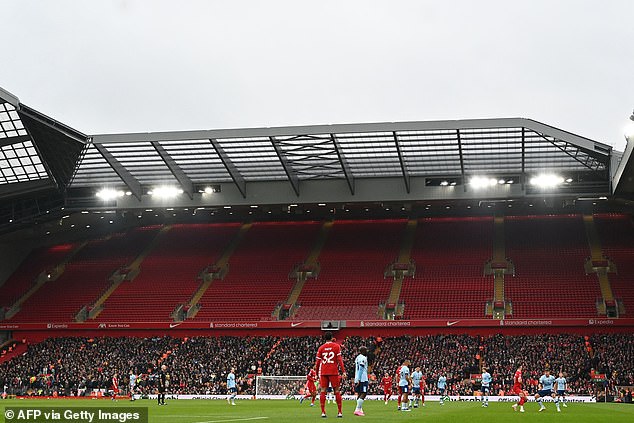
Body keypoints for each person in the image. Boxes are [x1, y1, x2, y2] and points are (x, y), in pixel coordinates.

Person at [315, 332, 346, 418]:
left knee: (323, 391)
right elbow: (340, 360)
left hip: (324, 372)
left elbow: (317, 363)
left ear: (324, 338)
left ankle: (323, 412)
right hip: (333, 371)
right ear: (332, 338)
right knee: (336, 390)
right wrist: (343, 371)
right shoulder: (336, 346)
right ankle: (339, 412)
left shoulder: (321, 348)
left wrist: (317, 373)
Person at [353, 345, 369, 416]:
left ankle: (360, 409)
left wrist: (356, 378)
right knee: (364, 393)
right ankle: (357, 409)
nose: (367, 352)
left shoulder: (357, 358)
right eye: (366, 350)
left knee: (359, 393)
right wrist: (359, 379)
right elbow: (361, 369)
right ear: (363, 351)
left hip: (357, 377)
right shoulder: (363, 358)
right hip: (362, 378)